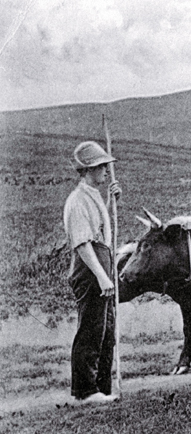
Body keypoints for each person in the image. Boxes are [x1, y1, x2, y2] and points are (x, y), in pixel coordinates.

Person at [63, 141, 122, 404]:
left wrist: (111, 201)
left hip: (100, 263)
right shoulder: (76, 201)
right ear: (89, 170)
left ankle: (102, 387)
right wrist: (100, 275)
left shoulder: (92, 195)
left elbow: (98, 228)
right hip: (89, 269)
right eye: (102, 167)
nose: (106, 172)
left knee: (105, 329)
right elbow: (83, 243)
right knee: (91, 328)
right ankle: (86, 391)